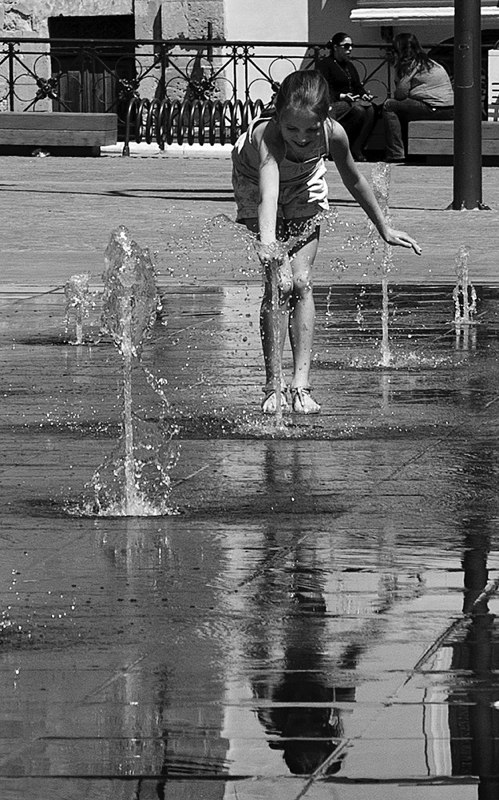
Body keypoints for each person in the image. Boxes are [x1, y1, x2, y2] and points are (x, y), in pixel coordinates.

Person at [231, 70, 421, 415]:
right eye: (293, 129)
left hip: (306, 184)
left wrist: (385, 227)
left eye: (310, 129)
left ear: (327, 117)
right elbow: (269, 193)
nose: (301, 138)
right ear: (278, 116)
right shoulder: (269, 136)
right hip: (255, 183)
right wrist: (270, 244)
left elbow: (354, 178)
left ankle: (300, 385)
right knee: (279, 284)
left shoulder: (334, 134)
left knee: (302, 282)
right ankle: (273, 385)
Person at [382, 32, 454, 162]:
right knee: (402, 110)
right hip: (450, 109)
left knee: (389, 105)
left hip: (434, 108)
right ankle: (410, 152)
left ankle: (396, 153)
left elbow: (400, 95)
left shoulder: (410, 64)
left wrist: (399, 73)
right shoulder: (428, 62)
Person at [316, 32, 376, 161]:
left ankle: (357, 147)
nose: (350, 49)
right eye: (346, 46)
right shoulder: (325, 64)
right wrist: (342, 96)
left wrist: (364, 95)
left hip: (351, 102)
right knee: (358, 110)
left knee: (370, 109)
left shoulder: (349, 66)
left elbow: (357, 86)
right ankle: (340, 147)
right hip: (333, 103)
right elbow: (324, 88)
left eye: (351, 46)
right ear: (336, 47)